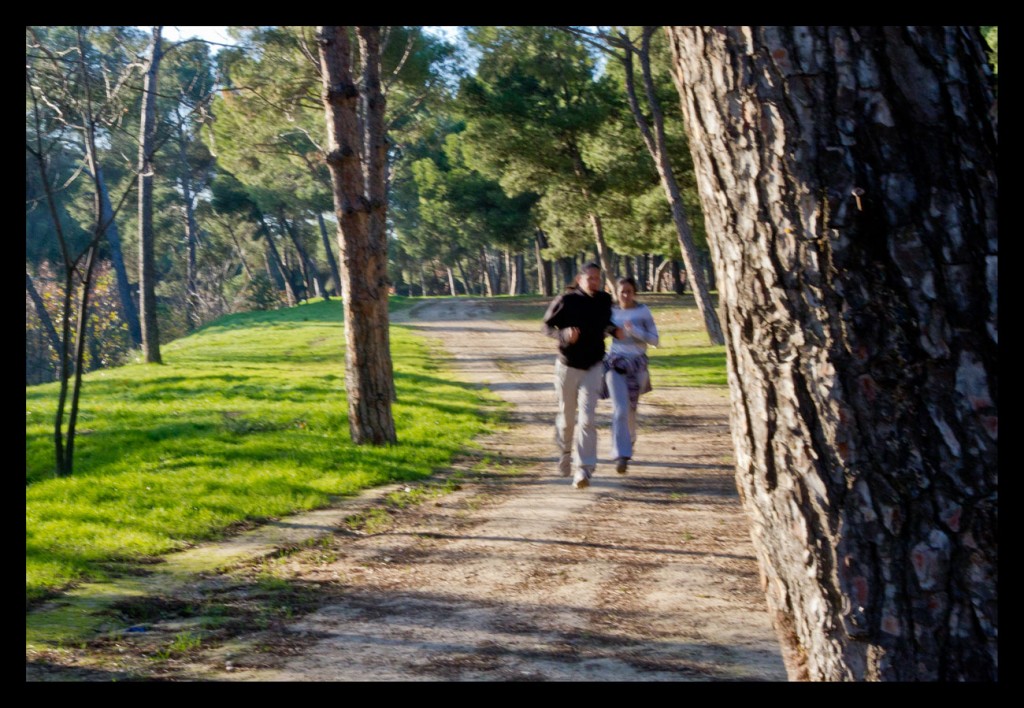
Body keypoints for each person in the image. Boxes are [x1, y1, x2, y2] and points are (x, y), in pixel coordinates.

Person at [542, 263, 623, 489]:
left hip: (594, 365)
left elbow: (604, 323)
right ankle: (565, 452)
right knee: (568, 419)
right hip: (568, 365)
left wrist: (613, 330)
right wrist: (564, 334)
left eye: (597, 278)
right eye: (590, 278)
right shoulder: (566, 300)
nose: (594, 282)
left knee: (587, 418)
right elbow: (546, 326)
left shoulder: (604, 300)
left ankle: (584, 469)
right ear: (580, 279)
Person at [602, 276, 659, 475]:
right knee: (620, 408)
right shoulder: (610, 312)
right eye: (622, 292)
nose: (626, 295)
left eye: (629, 291)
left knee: (631, 410)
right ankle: (621, 455)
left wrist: (634, 331)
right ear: (616, 294)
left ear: (635, 292)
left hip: (638, 365)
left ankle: (630, 441)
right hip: (615, 364)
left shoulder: (643, 311)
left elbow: (655, 340)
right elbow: (600, 333)